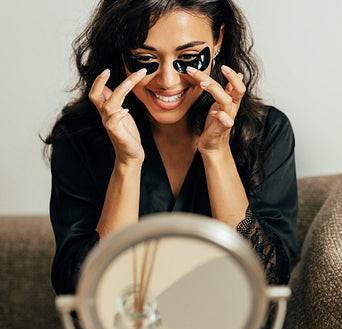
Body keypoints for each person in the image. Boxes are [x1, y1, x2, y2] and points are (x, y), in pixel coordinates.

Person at [44, 0, 298, 297]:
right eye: (143, 58)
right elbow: (83, 291)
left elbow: (267, 282)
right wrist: (127, 163)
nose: (167, 81)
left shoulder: (267, 131)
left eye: (189, 56)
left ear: (218, 41)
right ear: (120, 51)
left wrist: (217, 153)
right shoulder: (78, 136)